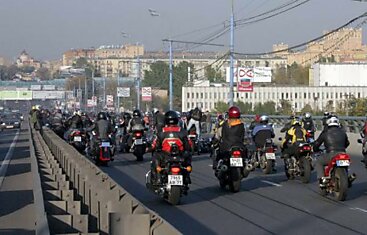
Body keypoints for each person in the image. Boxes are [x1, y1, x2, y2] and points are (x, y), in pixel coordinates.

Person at [151, 111, 192, 185]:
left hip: (166, 155)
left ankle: (158, 178)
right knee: (188, 155)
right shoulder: (182, 131)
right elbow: (188, 145)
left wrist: (152, 148)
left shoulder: (161, 131)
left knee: (155, 156)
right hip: (180, 155)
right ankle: (187, 176)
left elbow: (155, 145)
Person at [313, 116, 350, 187]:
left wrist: (315, 149)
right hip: (342, 153)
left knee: (319, 161)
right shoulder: (343, 132)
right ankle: (347, 176)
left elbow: (317, 144)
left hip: (331, 154)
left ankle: (322, 179)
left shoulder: (325, 132)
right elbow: (347, 143)